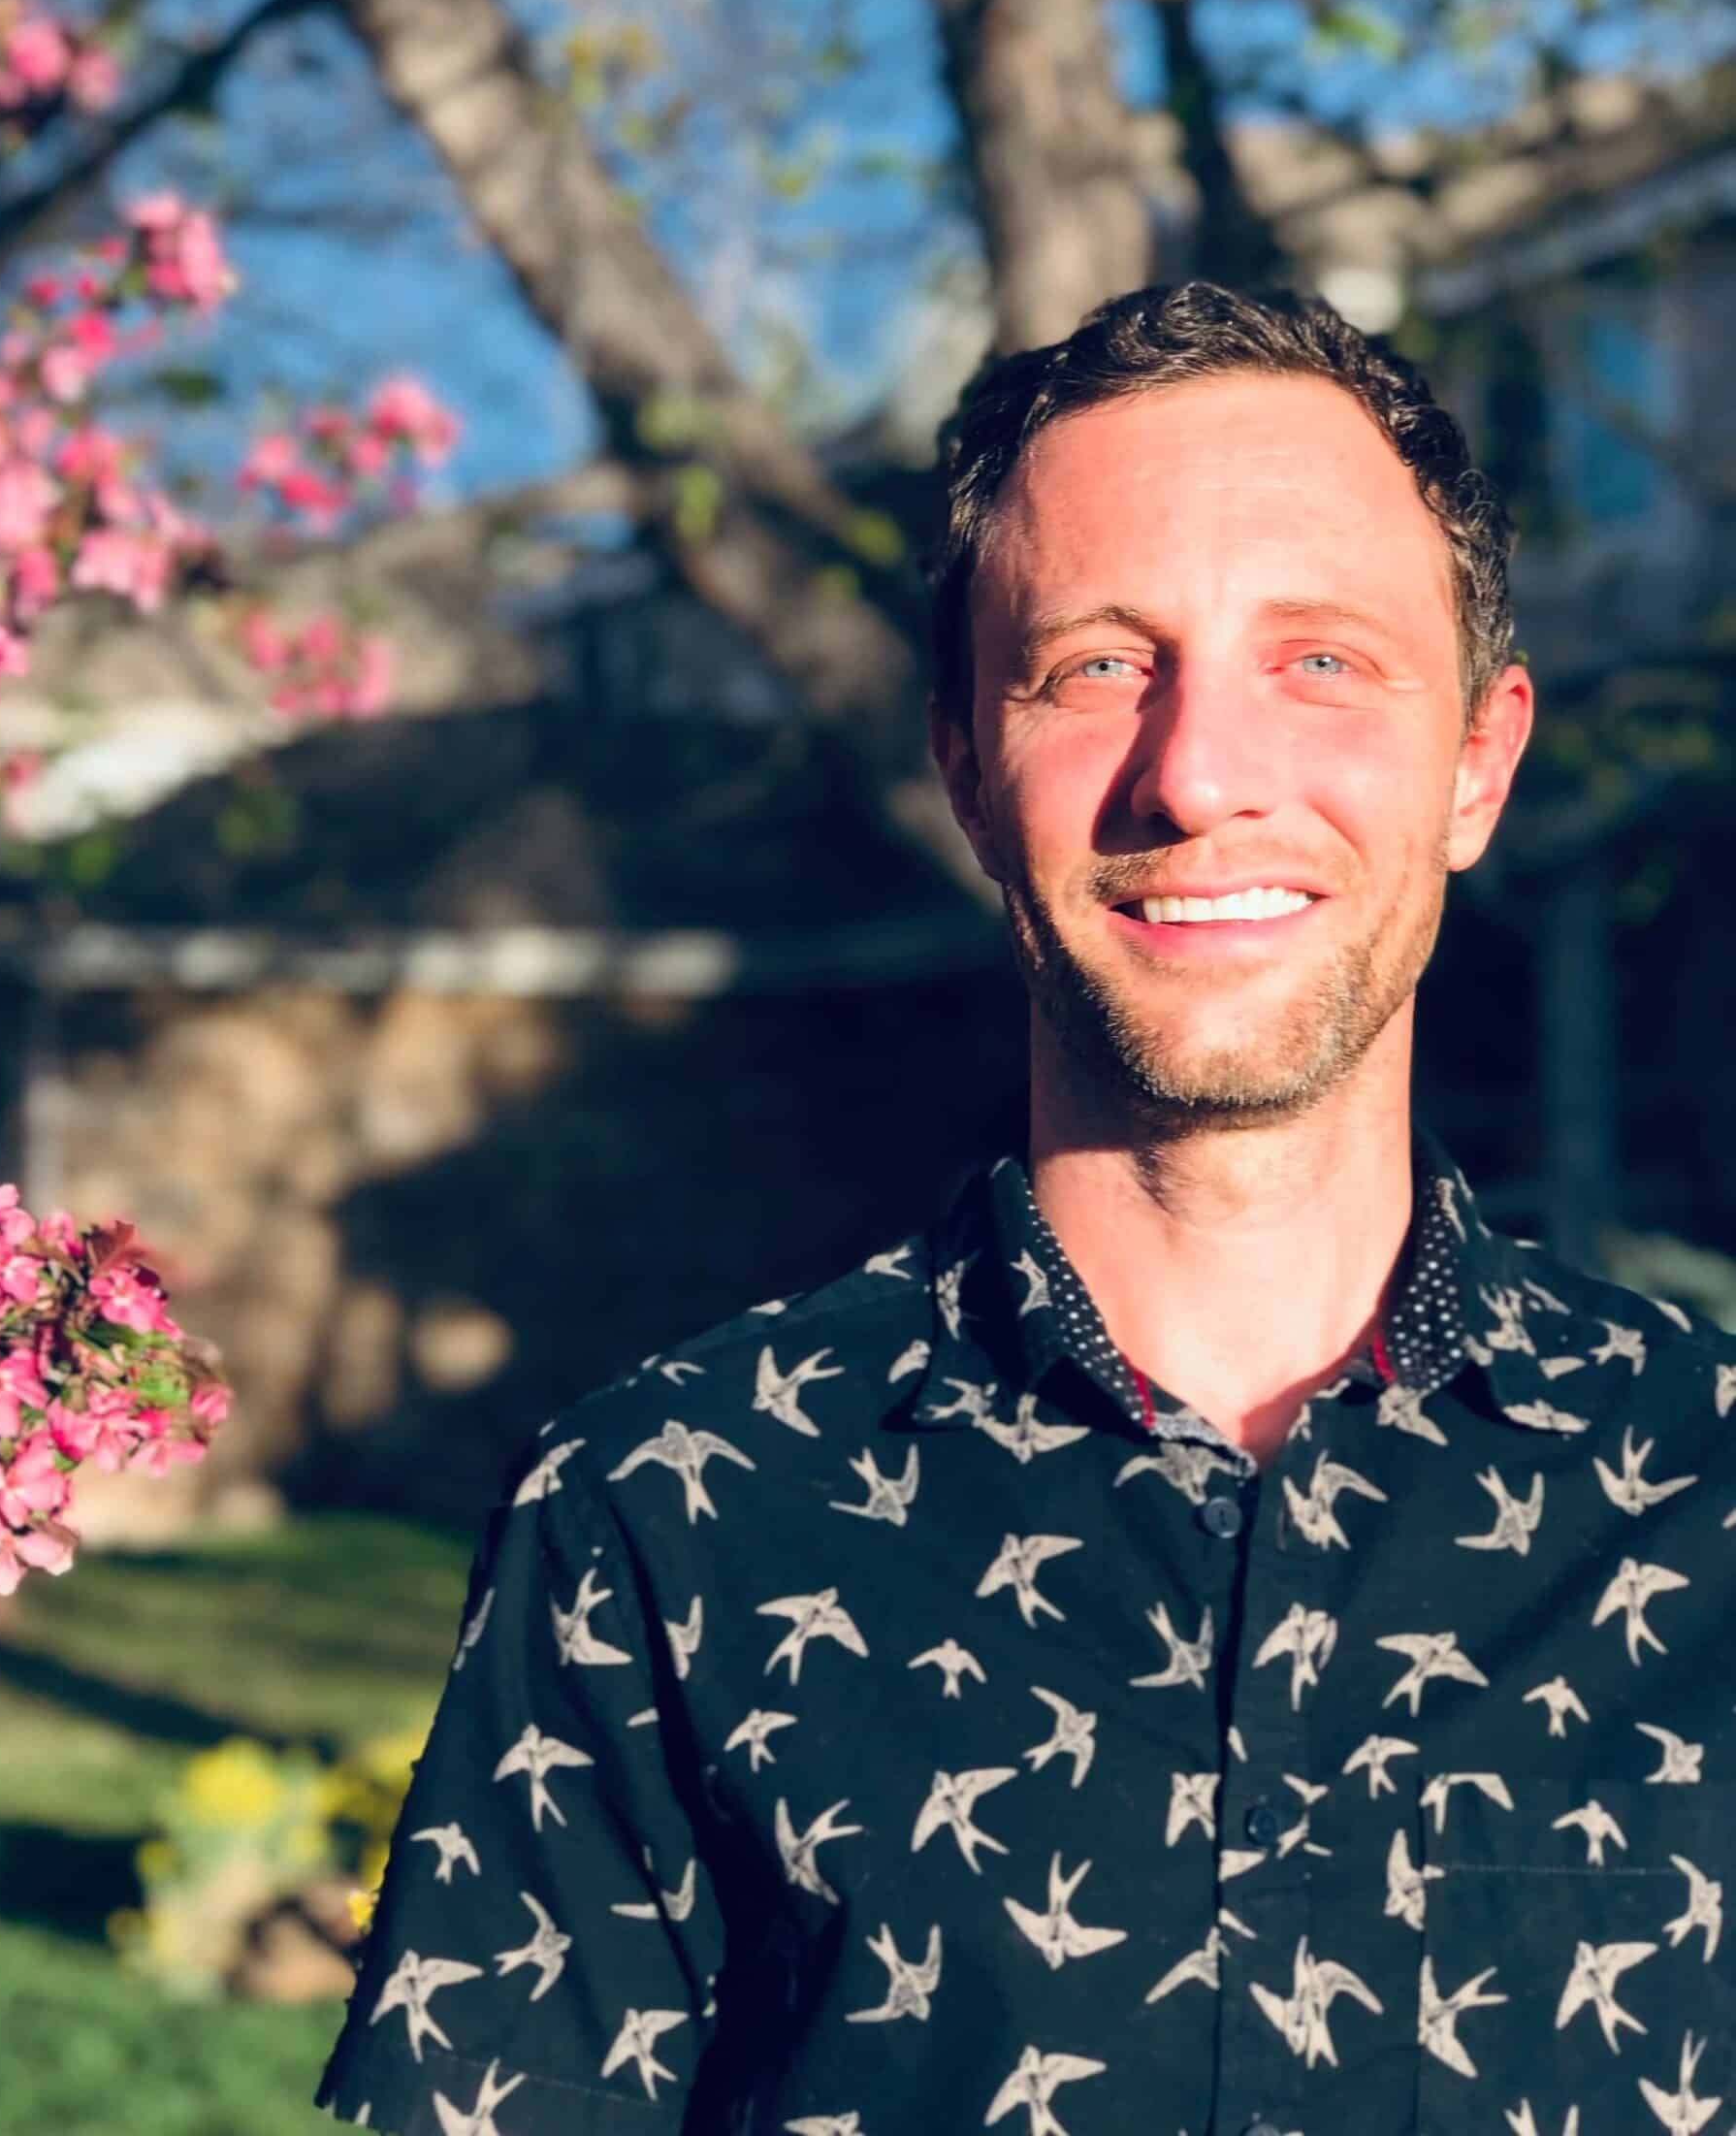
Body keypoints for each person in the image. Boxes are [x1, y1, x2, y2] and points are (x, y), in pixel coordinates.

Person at [313, 281, 1736, 2136]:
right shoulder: (661, 1521)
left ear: (1475, 758)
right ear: (969, 773)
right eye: (1094, 668)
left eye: (1319, 660)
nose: (1198, 774)